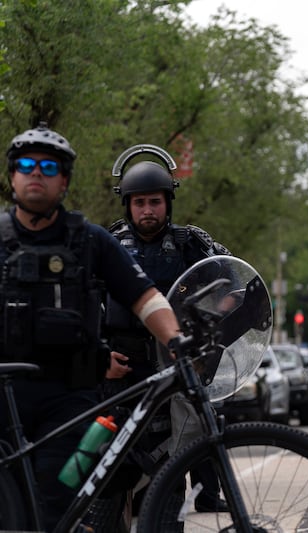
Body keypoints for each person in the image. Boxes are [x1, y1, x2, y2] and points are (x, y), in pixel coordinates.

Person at [0, 122, 182, 531]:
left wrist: (176, 339)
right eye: (26, 164)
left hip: (72, 403)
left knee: (56, 502)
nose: (36, 173)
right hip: (4, 396)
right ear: (12, 175)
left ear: (63, 181)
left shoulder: (92, 241)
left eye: (49, 168)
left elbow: (145, 297)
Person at [86, 144, 231, 528]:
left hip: (172, 380)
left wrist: (202, 356)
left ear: (168, 203)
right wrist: (99, 358)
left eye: (154, 201)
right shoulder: (105, 247)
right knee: (107, 483)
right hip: (118, 381)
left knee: (168, 478)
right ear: (127, 205)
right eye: (139, 203)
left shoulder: (194, 246)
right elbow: (83, 306)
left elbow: (233, 291)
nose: (147, 210)